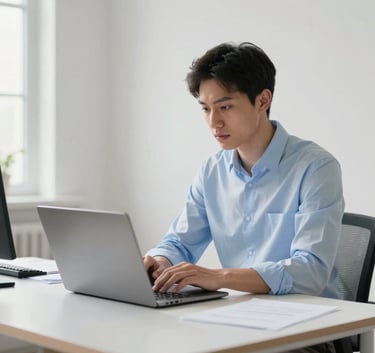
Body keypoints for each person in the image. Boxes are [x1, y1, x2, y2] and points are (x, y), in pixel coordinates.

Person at [143, 42, 344, 353]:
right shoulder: (212, 170)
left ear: (263, 100)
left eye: (225, 107)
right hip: (236, 322)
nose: (213, 123)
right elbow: (180, 242)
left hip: (304, 330)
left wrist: (217, 277)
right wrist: (158, 262)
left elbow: (311, 271)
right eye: (206, 109)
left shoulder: (316, 167)